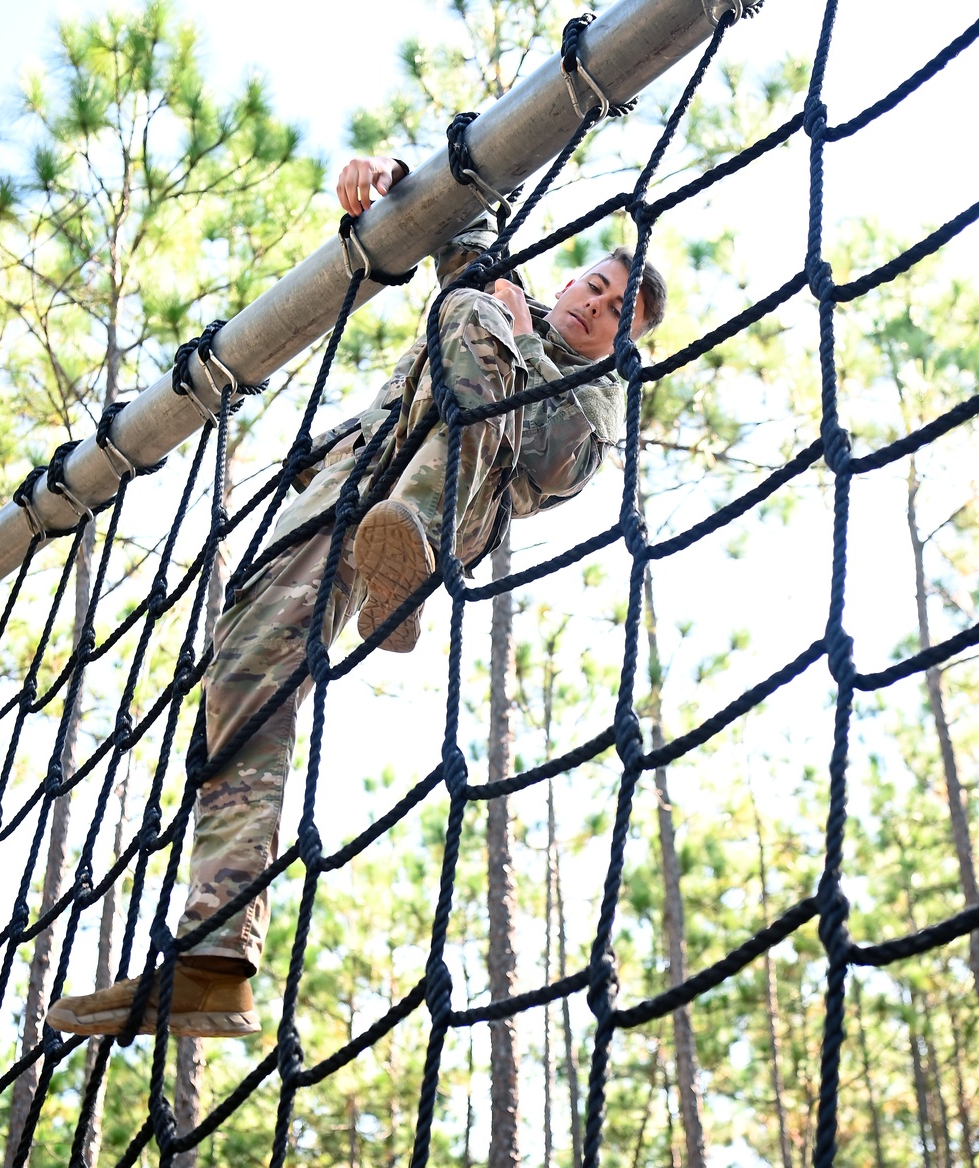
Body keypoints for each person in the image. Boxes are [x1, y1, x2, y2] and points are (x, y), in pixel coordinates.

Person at [46, 157, 666, 1039]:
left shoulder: (597, 398)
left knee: (466, 306)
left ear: (618, 343)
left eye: (613, 315)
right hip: (336, 499)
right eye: (597, 286)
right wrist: (393, 176)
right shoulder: (510, 293)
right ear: (573, 275)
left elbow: (555, 459)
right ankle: (215, 959)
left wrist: (518, 334)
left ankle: (407, 551)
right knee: (243, 676)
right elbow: (463, 218)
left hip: (450, 503)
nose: (595, 308)